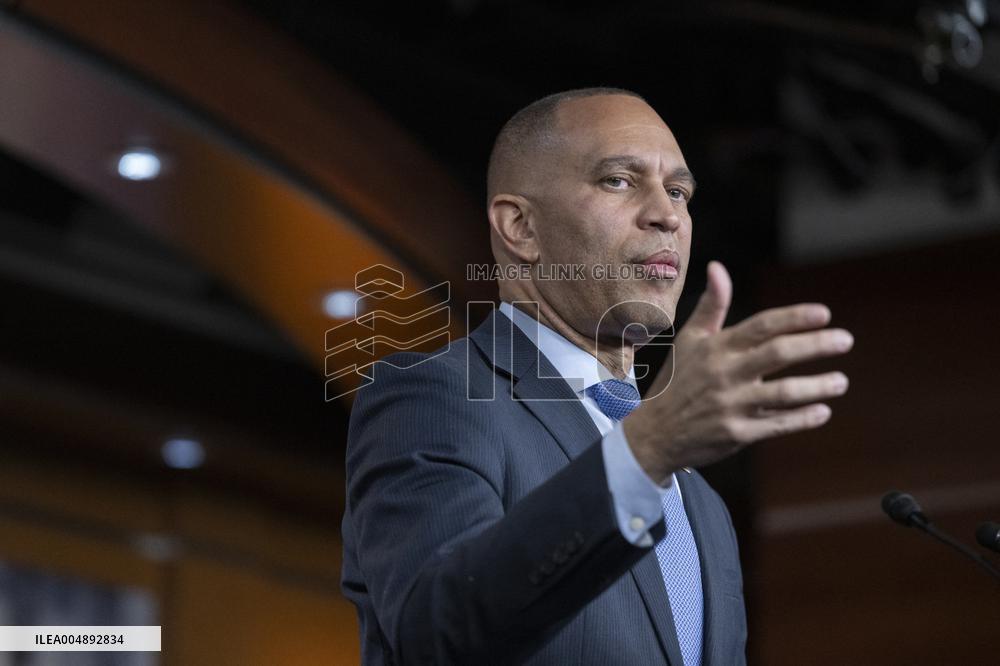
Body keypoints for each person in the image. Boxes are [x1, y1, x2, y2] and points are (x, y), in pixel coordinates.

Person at [341, 88, 853, 665]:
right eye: (618, 180)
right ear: (520, 227)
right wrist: (646, 450)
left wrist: (652, 452)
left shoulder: (698, 500)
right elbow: (437, 634)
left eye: (679, 191)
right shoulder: (436, 396)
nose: (667, 213)